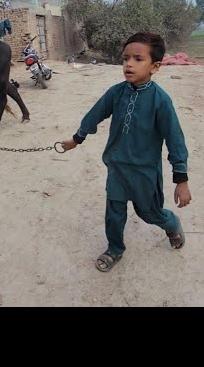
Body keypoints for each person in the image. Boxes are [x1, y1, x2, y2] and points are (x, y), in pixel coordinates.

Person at [61, 32, 192, 272]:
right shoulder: (116, 92)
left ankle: (171, 223)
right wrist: (76, 139)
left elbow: (175, 140)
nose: (128, 64)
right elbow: (95, 114)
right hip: (117, 166)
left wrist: (181, 179)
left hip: (144, 172)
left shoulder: (160, 101)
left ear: (155, 67)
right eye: (125, 58)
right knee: (114, 212)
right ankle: (115, 248)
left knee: (149, 213)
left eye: (138, 59)